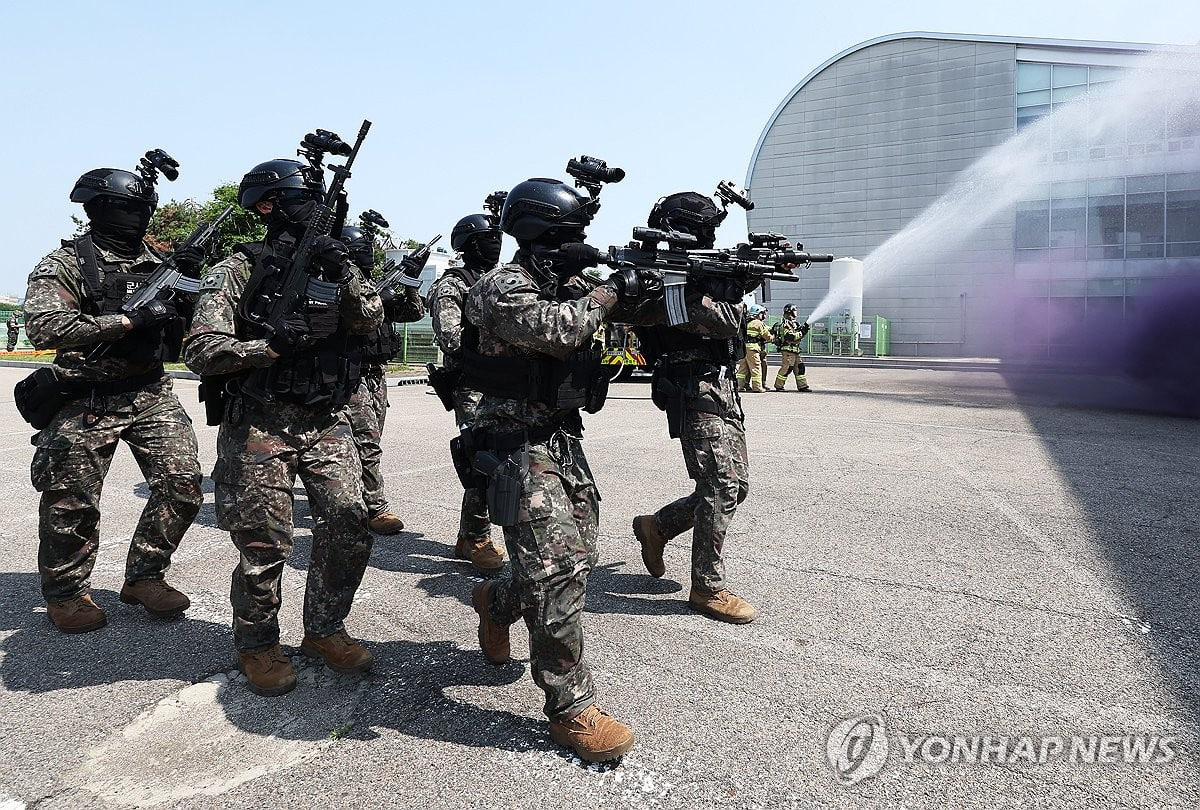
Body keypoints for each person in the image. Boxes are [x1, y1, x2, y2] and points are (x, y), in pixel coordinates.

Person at [464, 177, 659, 762]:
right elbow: (560, 330)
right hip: (515, 445)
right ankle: (571, 707)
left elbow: (632, 317)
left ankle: (498, 602)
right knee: (557, 571)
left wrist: (653, 282)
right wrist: (609, 292)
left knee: (579, 557)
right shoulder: (502, 286)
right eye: (567, 237)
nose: (577, 246)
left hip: (561, 439)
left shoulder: (564, 285)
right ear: (537, 234)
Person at [183, 156, 383, 697]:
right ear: (268, 207)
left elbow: (370, 321)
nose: (313, 209)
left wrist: (343, 272)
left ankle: (323, 628)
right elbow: (200, 349)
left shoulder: (333, 265)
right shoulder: (237, 268)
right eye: (300, 200)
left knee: (349, 524)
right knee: (265, 543)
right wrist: (267, 346)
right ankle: (257, 644)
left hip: (327, 420)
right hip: (260, 423)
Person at [23, 162, 202, 633]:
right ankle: (66, 593)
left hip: (150, 392)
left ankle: (145, 576)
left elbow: (193, 321)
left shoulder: (161, 263)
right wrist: (125, 321)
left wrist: (190, 286)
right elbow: (44, 327)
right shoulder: (66, 264)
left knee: (183, 485)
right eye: (127, 208)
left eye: (143, 208)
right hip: (87, 395)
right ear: (98, 209)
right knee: (71, 501)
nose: (137, 217)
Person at [630, 191, 756, 624]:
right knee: (720, 484)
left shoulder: (697, 272)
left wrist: (739, 276)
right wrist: (729, 290)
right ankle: (707, 588)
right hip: (691, 387)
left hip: (722, 386)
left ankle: (658, 526)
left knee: (735, 487)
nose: (710, 236)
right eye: (703, 229)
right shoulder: (660, 276)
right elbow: (720, 321)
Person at [426, 212, 507, 571]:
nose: (496, 244)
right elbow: (450, 338)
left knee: (505, 456)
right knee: (481, 456)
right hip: (471, 384)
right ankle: (475, 537)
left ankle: (470, 534)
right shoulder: (453, 285)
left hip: (500, 382)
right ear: (471, 244)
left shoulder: (501, 279)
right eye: (489, 238)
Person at [340, 219, 425, 535]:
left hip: (378, 375)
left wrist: (411, 283)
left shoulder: (375, 287)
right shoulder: (343, 289)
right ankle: (376, 508)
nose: (367, 254)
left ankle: (353, 493)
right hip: (354, 374)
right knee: (367, 443)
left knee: (371, 441)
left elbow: (414, 313)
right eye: (360, 249)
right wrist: (377, 298)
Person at [771, 303, 812, 392]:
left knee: (800, 367)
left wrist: (803, 330)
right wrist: (802, 332)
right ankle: (779, 386)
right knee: (787, 368)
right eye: (794, 310)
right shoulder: (785, 324)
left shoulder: (794, 324)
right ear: (790, 312)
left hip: (795, 350)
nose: (796, 312)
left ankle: (802, 386)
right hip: (788, 351)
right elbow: (791, 337)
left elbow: (798, 336)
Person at [737, 304, 770, 393]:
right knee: (756, 367)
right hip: (753, 349)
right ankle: (757, 387)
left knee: (743, 369)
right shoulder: (758, 323)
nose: (764, 315)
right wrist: (774, 339)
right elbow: (767, 336)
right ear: (758, 313)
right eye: (762, 313)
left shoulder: (745, 321)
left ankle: (740, 386)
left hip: (743, 348)